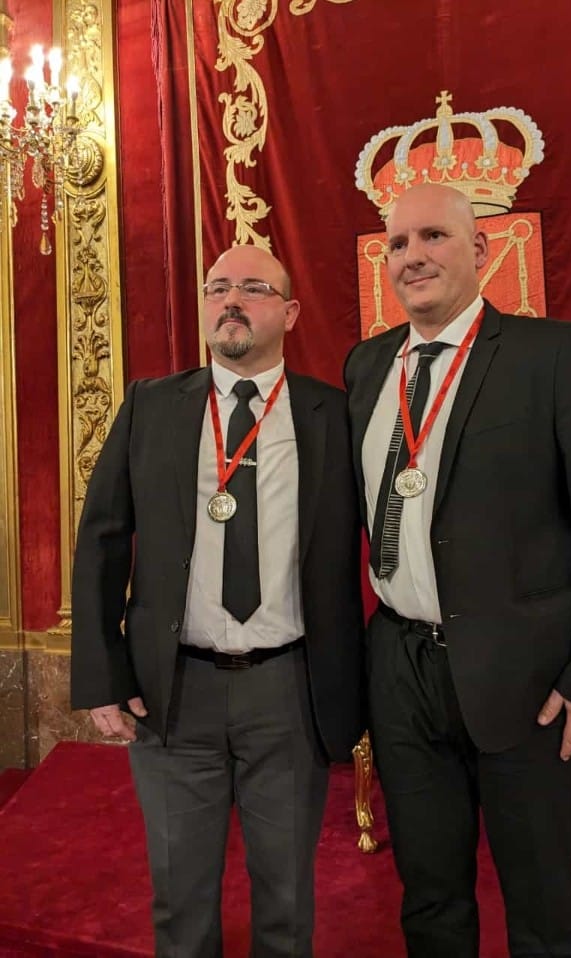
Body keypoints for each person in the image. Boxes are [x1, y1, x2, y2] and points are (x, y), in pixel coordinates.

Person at [343, 183, 571, 958]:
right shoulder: (366, 367)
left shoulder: (553, 356)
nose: (413, 256)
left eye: (434, 237)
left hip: (526, 676)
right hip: (401, 668)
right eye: (398, 244)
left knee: (541, 904)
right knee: (431, 893)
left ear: (480, 250)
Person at [71, 244, 365, 958]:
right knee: (180, 900)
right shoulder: (151, 405)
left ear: (289, 312)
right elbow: (102, 541)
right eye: (218, 287)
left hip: (290, 691)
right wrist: (103, 676)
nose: (232, 300)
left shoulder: (336, 414)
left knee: (287, 899)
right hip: (174, 692)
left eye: (254, 288)